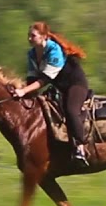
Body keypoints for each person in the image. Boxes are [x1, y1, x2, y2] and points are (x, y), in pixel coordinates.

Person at [11, 21, 92, 164]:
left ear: (44, 36)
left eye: (33, 35)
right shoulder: (31, 54)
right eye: (28, 35)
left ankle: (80, 148)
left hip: (75, 84)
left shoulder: (55, 50)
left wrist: (23, 91)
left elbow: (45, 80)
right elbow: (32, 79)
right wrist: (20, 90)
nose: (30, 38)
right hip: (58, 87)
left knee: (71, 110)